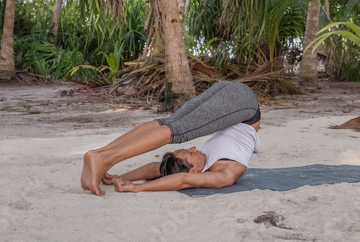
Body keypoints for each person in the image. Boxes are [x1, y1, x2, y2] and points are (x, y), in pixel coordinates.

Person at [80, 81, 261, 195]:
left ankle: (102, 155)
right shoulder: (224, 173)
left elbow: (157, 171)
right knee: (175, 127)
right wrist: (133, 186)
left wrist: (123, 179)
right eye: (190, 154)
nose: (194, 149)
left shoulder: (204, 168)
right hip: (243, 106)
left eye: (190, 152)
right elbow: (181, 179)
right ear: (193, 171)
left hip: (233, 99)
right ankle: (102, 155)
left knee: (172, 125)